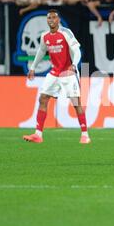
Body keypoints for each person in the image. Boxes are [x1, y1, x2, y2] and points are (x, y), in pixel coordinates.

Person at [23, 9, 90, 144]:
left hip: (68, 72)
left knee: (76, 102)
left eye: (54, 17)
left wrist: (75, 65)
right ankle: (38, 134)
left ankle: (85, 134)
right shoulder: (45, 36)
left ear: (58, 20)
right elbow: (41, 51)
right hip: (54, 73)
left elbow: (76, 51)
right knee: (43, 98)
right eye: (49, 18)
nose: (51, 20)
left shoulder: (66, 33)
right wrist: (33, 67)